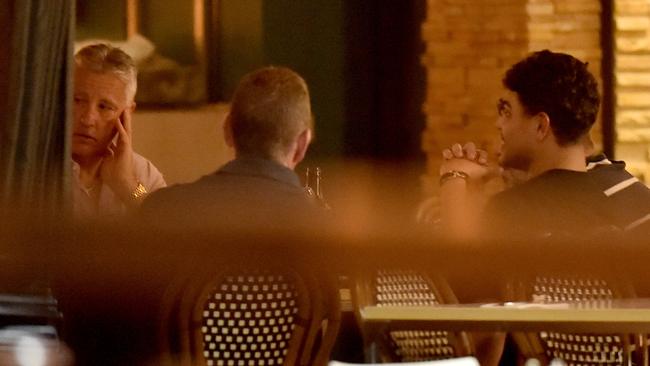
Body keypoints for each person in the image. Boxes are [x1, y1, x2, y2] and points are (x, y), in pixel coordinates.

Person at [438, 50, 650, 239]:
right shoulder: (616, 207)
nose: (498, 123)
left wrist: (454, 178)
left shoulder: (513, 209)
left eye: (507, 113)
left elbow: (462, 277)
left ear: (541, 126)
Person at [140, 66, 321, 230]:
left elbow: (140, 208)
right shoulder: (326, 232)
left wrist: (130, 187)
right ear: (302, 144)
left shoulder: (164, 207)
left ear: (227, 129)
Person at [72, 44, 166, 219]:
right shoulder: (31, 168)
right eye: (77, 101)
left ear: (127, 113)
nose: (87, 119)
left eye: (104, 107)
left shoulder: (142, 173)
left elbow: (168, 229)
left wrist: (128, 185)